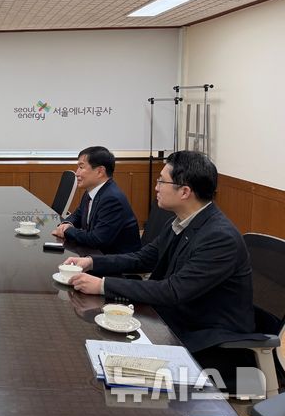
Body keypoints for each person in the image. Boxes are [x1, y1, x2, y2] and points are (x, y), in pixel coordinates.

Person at [65, 151, 262, 384]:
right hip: (173, 320)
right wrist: (92, 262)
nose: (156, 187)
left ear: (185, 191)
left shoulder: (219, 237)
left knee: (112, 369)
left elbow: (173, 291)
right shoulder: (181, 221)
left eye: (161, 181)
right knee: (96, 343)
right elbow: (143, 258)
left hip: (208, 341)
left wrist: (102, 285)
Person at [51, 146, 141, 254]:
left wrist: (67, 230)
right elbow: (78, 215)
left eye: (81, 167)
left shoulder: (112, 199)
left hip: (116, 259)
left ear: (100, 171)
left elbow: (97, 239)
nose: (77, 173)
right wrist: (66, 223)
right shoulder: (92, 191)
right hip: (96, 253)